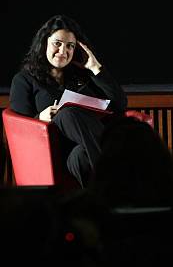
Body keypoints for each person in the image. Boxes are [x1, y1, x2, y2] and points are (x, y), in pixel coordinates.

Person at [9, 15, 127, 186]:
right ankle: (124, 175)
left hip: (79, 151)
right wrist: (40, 118)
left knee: (81, 157)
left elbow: (120, 104)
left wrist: (95, 68)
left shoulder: (81, 76)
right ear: (44, 43)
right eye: (57, 43)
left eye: (70, 46)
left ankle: (106, 203)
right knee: (67, 114)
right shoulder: (24, 80)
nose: (63, 52)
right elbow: (20, 128)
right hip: (50, 154)